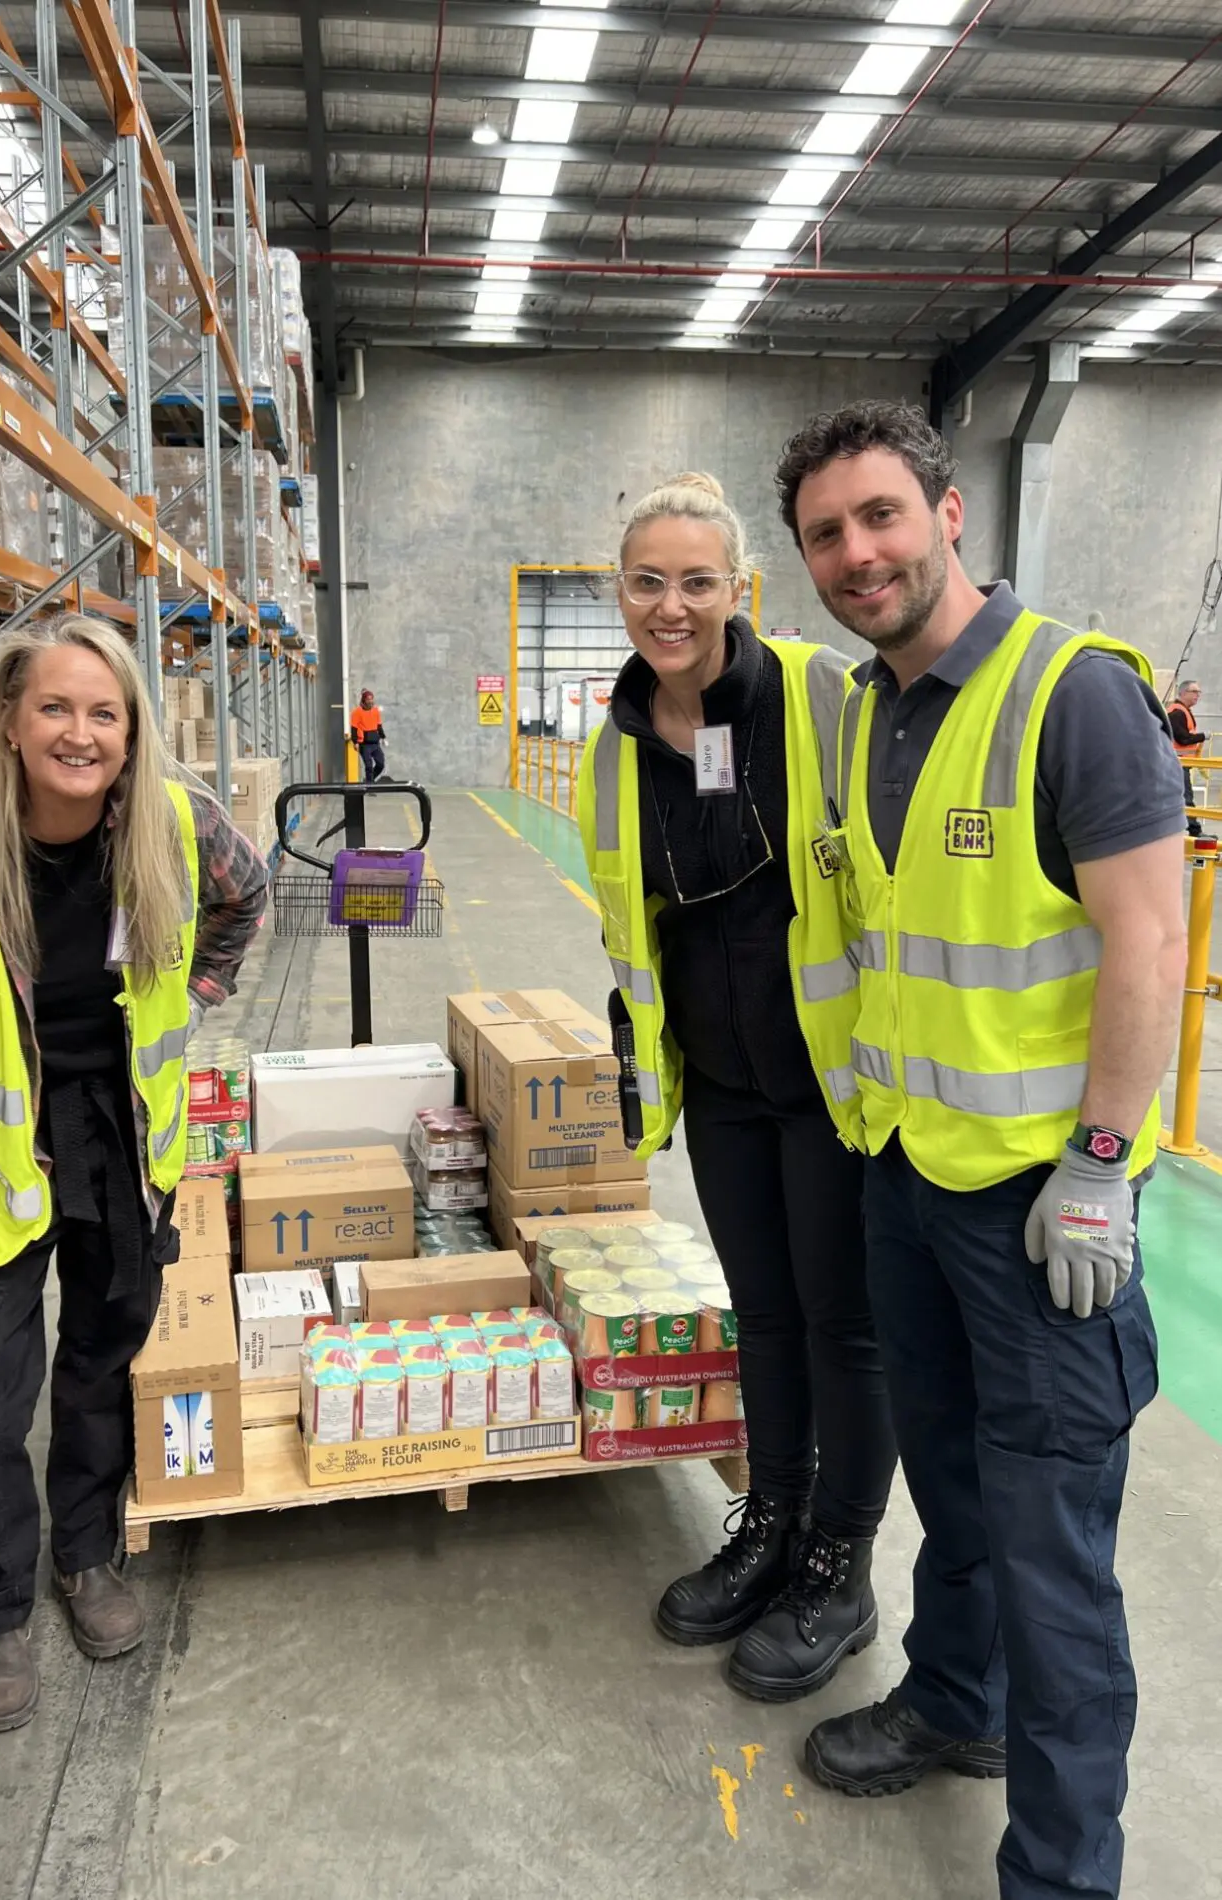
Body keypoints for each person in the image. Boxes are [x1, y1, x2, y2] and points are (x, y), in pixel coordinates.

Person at [774, 400, 1186, 1900]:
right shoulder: (862, 711)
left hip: (1038, 1206)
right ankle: (957, 1700)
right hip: (910, 1170)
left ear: (950, 515)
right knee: (951, 1485)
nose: (857, 553)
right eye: (826, 534)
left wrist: (1100, 1164)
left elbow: (1150, 941)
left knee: (1051, 1551)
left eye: (880, 515)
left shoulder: (1073, 693)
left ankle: (1063, 1875)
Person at [0, 614, 267, 1735]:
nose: (81, 733)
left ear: (131, 729)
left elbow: (247, 895)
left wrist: (198, 993)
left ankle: (85, 1554)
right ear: (12, 724)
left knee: (99, 1364)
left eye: (104, 712)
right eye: (56, 708)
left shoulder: (173, 821)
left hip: (121, 1143)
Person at [576, 472, 897, 1702]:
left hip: (832, 1079)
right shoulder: (613, 748)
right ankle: (773, 1524)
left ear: (738, 589)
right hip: (718, 1083)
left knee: (841, 1322)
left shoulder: (819, 694)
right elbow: (635, 923)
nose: (672, 606)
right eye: (648, 582)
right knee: (762, 1315)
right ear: (620, 593)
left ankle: (841, 1565)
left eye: (697, 581)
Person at [1166, 678, 1210, 839]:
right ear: (1183, 693)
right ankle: (1195, 830)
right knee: (1186, 797)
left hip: (1179, 762)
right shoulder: (1177, 713)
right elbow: (1183, 738)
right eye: (1194, 691)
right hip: (1177, 763)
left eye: (1199, 692)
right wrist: (1203, 736)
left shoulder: (1182, 711)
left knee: (1177, 797)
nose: (1198, 695)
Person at [350, 686, 387, 781]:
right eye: (368, 699)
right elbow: (354, 728)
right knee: (369, 766)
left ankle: (369, 780)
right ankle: (369, 784)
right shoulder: (357, 712)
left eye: (371, 699)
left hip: (375, 743)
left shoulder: (375, 711)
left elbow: (379, 725)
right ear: (364, 700)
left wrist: (383, 737)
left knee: (380, 764)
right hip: (364, 744)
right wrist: (355, 742)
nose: (370, 701)